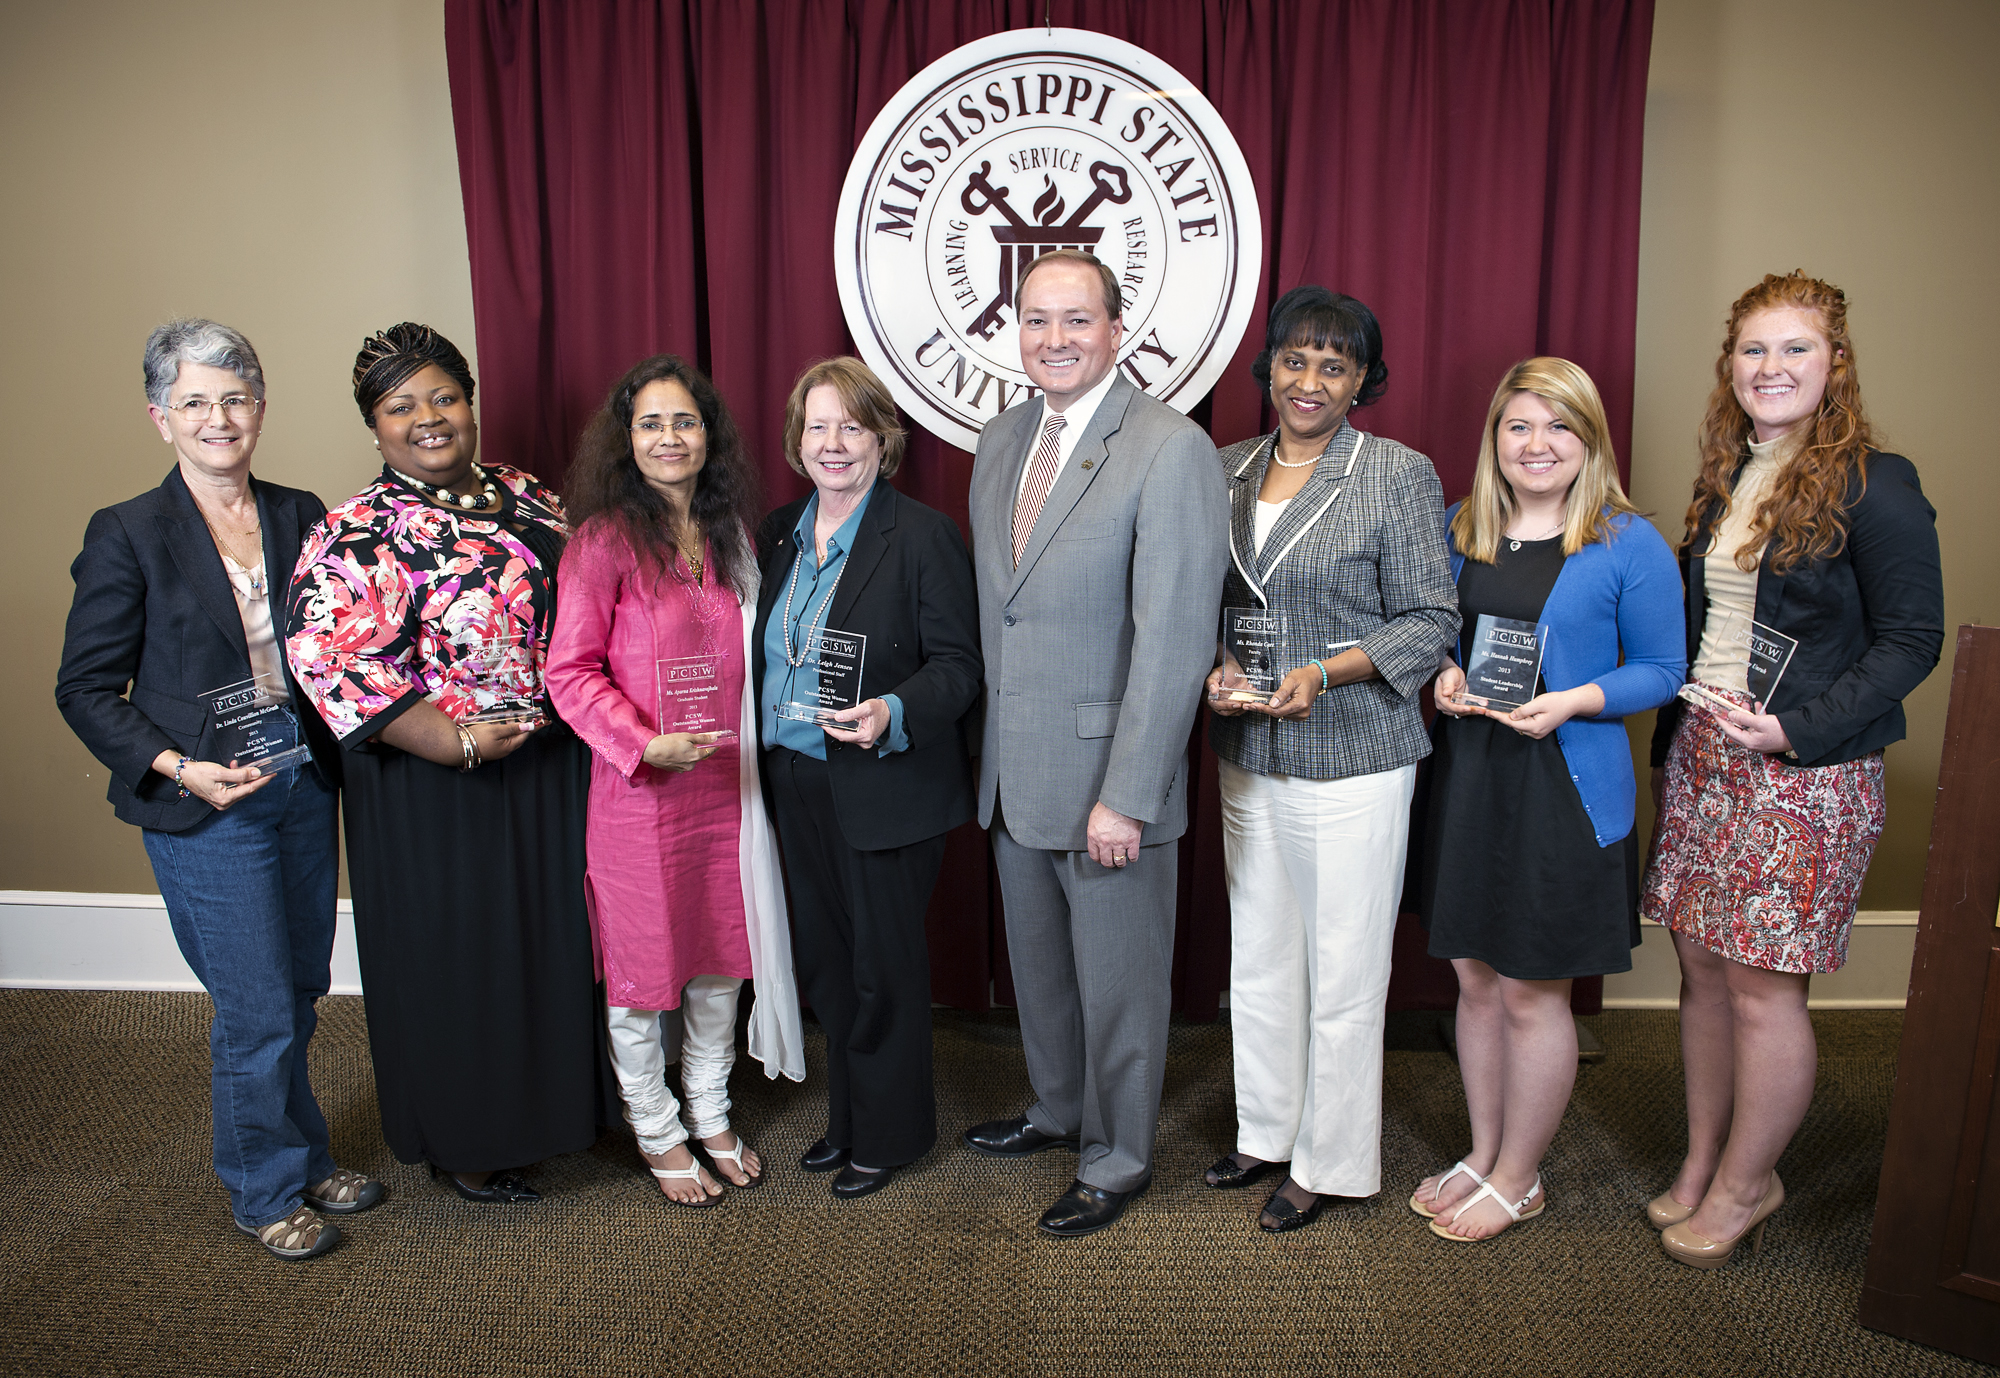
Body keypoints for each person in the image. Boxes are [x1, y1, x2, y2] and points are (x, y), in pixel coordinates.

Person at [55, 319, 375, 1260]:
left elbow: (339, 646)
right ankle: (264, 1190)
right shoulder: (127, 532)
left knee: (303, 987)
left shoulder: (301, 512)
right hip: (209, 804)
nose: (217, 419)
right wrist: (180, 767)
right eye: (194, 402)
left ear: (261, 410)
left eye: (234, 399)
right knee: (256, 1006)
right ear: (161, 419)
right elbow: (82, 689)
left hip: (302, 784)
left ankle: (306, 1157)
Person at [1642, 272, 1942, 1268]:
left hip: (1804, 774)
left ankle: (1744, 1183)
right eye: (1751, 351)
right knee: (1698, 975)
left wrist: (1794, 729)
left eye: (1793, 349)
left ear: (1835, 365)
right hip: (1700, 761)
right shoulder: (1731, 473)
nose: (1769, 368)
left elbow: (1910, 640)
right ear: (1729, 368)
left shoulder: (1874, 483)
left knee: (1763, 991)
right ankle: (1701, 1160)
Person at [285, 323, 608, 1203]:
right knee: (460, 958)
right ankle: (468, 1142)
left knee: (546, 943)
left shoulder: (529, 495)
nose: (428, 418)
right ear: (374, 423)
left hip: (547, 767)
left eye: (444, 397)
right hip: (433, 783)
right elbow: (327, 656)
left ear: (471, 403)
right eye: (401, 406)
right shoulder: (355, 530)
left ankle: (553, 1119)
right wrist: (452, 740)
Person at [962, 250, 1230, 1237]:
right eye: (1036, 320)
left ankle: (1115, 1159)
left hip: (1106, 782)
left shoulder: (1167, 448)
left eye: (1076, 320)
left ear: (1117, 330)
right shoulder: (999, 441)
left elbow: (1172, 638)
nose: (1054, 340)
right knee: (1039, 971)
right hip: (1013, 773)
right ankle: (1056, 1108)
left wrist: (1131, 791)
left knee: (1117, 989)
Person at [1201, 287, 1460, 1232]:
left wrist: (1328, 671)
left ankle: (1333, 1160)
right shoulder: (1224, 468)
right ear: (1268, 366)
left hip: (1354, 753)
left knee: (1345, 969)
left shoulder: (1396, 473)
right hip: (1249, 745)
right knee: (1260, 955)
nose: (1310, 381)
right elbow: (1205, 604)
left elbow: (1432, 621)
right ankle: (1267, 1130)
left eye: (1335, 365)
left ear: (1362, 382)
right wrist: (1214, 667)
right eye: (1295, 360)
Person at [1410, 357, 1683, 1241]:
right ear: (1496, 438)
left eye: (1559, 427)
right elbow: (1439, 635)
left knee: (1532, 992)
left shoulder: (1625, 539)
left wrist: (1572, 699)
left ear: (1589, 439)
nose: (1537, 444)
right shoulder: (1466, 526)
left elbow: (1663, 671)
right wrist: (1445, 676)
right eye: (1519, 426)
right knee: (1475, 980)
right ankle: (1486, 1154)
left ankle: (1521, 1176)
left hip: (1563, 788)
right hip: (1472, 781)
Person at [545, 355, 804, 1207]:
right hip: (640, 795)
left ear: (708, 436)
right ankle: (656, 1127)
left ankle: (712, 1107)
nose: (668, 437)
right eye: (651, 423)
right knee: (643, 971)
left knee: (721, 959)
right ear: (628, 440)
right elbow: (570, 672)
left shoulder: (733, 535)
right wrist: (642, 744)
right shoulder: (601, 542)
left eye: (684, 421)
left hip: (729, 790)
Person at [752, 357, 982, 1201]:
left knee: (883, 967)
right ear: (796, 440)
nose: (834, 443)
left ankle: (891, 1134)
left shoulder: (920, 536)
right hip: (792, 782)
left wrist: (892, 709)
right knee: (825, 965)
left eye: (852, 425)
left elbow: (959, 666)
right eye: (818, 426)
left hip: (884, 785)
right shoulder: (778, 531)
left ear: (884, 440)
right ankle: (848, 1117)